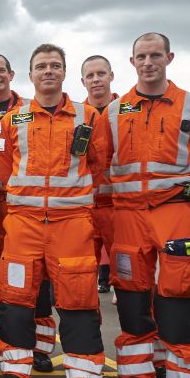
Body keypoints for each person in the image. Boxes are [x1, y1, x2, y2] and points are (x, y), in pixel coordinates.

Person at [0, 43, 107, 378]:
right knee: (15, 298)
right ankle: (15, 372)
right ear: (30, 75)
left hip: (71, 223)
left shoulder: (88, 116)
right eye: (41, 66)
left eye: (55, 65)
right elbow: (4, 168)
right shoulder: (13, 118)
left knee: (79, 300)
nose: (48, 72)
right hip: (23, 222)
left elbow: (99, 166)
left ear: (64, 72)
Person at [104, 32, 190, 378]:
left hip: (175, 209)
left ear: (170, 58)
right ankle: (137, 374)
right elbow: (103, 159)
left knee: (180, 292)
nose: (148, 62)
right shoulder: (115, 111)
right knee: (131, 293)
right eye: (141, 56)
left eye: (155, 55)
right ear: (132, 62)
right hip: (128, 213)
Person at [0, 54, 57, 371]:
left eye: (0, 71)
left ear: (12, 74)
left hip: (26, 207)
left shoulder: (30, 111)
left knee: (38, 275)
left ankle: (41, 347)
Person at [80, 55, 119, 294]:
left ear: (111, 76)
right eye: (90, 76)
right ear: (83, 81)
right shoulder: (76, 116)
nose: (96, 80)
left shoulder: (126, 111)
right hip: (85, 208)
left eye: (101, 74)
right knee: (80, 277)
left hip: (120, 207)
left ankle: (139, 330)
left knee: (130, 276)